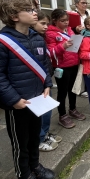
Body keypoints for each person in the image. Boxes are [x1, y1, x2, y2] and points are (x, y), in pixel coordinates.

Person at [0, 0, 54, 179]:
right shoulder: (0, 42)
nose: (35, 12)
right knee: (20, 142)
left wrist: (47, 84)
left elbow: (45, 64)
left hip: (37, 99)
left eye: (34, 8)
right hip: (18, 103)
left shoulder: (37, 38)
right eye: (29, 10)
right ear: (14, 16)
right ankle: (23, 178)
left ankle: (35, 166)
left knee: (34, 137)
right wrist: (13, 100)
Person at [45, 9, 85, 129]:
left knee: (72, 90)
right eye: (63, 21)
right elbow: (50, 52)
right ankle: (62, 115)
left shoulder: (69, 30)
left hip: (73, 63)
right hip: (61, 67)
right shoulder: (50, 34)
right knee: (62, 92)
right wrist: (62, 46)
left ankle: (72, 109)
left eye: (67, 20)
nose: (66, 23)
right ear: (55, 21)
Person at [33, 11, 62, 151]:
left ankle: (44, 134)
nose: (46, 27)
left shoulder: (40, 38)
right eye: (42, 23)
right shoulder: (31, 40)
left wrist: (48, 82)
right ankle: (39, 139)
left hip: (45, 79)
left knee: (48, 111)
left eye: (47, 24)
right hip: (36, 83)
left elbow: (44, 61)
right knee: (41, 113)